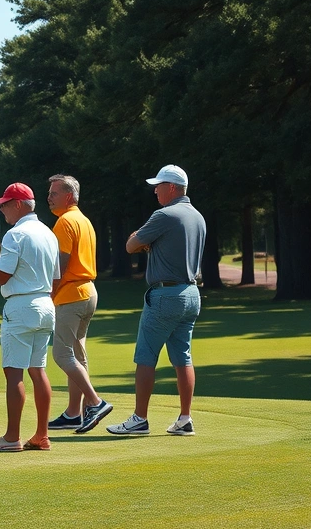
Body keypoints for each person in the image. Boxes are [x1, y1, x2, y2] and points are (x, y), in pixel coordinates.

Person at [107, 164, 205, 436]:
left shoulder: (164, 214)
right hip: (191, 293)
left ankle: (140, 419)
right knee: (182, 358)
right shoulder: (197, 217)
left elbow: (129, 246)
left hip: (165, 294)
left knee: (146, 356)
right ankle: (185, 418)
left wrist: (141, 242)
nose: (155, 190)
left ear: (171, 188)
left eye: (159, 185)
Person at [0, 183, 60, 452]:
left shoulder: (15, 235)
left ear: (17, 204)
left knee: (14, 372)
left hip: (21, 306)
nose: (2, 210)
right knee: (38, 370)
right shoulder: (49, 234)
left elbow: (2, 275)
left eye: (4, 204)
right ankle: (41, 435)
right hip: (46, 304)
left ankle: (12, 437)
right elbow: (57, 278)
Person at [45, 175, 112, 434]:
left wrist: (48, 294)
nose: (49, 197)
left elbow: (60, 266)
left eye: (54, 193)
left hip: (71, 295)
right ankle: (74, 413)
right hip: (88, 293)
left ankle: (95, 402)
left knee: (62, 355)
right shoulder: (83, 220)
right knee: (77, 354)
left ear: (69, 196)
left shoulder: (64, 222)